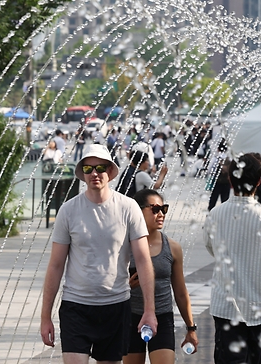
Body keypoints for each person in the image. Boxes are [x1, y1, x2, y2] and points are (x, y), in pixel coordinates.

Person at [41, 145, 158, 363]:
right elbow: (55, 265)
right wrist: (45, 317)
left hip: (115, 305)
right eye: (88, 168)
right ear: (83, 174)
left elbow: (143, 260)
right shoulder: (68, 210)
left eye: (100, 168)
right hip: (76, 306)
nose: (95, 173)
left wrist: (149, 310)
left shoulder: (128, 207)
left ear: (110, 171)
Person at [204, 153, 261, 363]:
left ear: (231, 180)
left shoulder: (215, 214)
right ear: (259, 182)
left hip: (225, 306)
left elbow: (211, 248)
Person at [124, 189, 198, 364]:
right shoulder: (125, 246)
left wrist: (191, 328)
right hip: (130, 318)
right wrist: (126, 286)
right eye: (155, 209)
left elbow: (180, 292)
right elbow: (107, 283)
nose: (161, 214)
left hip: (162, 317)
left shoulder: (172, 247)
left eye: (163, 209)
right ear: (138, 211)